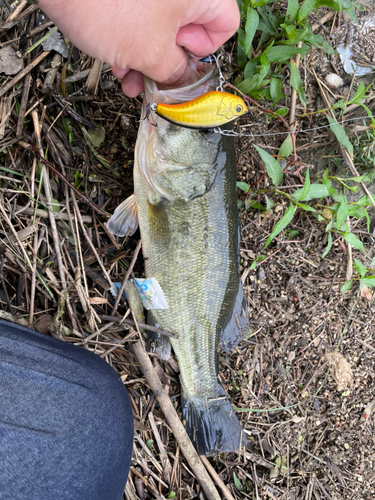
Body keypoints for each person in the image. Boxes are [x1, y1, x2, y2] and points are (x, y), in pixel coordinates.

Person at [0, 1, 240, 499]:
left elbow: (131, 219)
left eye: (183, 130)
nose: (168, 123)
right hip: (175, 272)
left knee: (151, 296)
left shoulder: (163, 196)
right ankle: (191, 373)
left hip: (174, 294)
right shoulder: (168, 189)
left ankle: (201, 389)